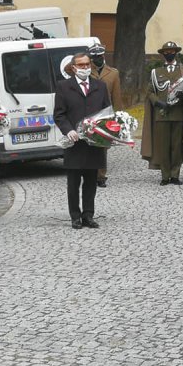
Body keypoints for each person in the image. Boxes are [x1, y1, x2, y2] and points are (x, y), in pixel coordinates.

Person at [54, 52, 111, 229]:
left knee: (91, 181)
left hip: (93, 143)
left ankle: (88, 215)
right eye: (81, 65)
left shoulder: (100, 86)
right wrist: (68, 130)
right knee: (73, 182)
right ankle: (75, 216)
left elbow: (107, 112)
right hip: (74, 143)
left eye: (87, 64)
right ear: (73, 68)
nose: (85, 68)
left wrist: (106, 131)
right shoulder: (64, 87)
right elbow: (59, 114)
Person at [141, 41, 183, 184]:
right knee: (163, 147)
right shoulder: (156, 72)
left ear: (176, 53)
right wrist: (158, 102)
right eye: (166, 52)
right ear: (162, 54)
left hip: (179, 114)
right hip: (161, 115)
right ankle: (165, 176)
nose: (169, 54)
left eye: (172, 51)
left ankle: (175, 174)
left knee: (177, 147)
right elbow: (150, 91)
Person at [89, 44, 123, 188]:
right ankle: (90, 175)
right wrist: (82, 61)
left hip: (106, 115)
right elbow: (68, 69)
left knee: (102, 148)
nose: (97, 59)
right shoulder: (85, 70)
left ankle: (101, 177)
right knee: (89, 146)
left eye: (99, 56)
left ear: (103, 56)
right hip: (89, 114)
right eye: (94, 57)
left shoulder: (113, 73)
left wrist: (119, 118)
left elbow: (116, 96)